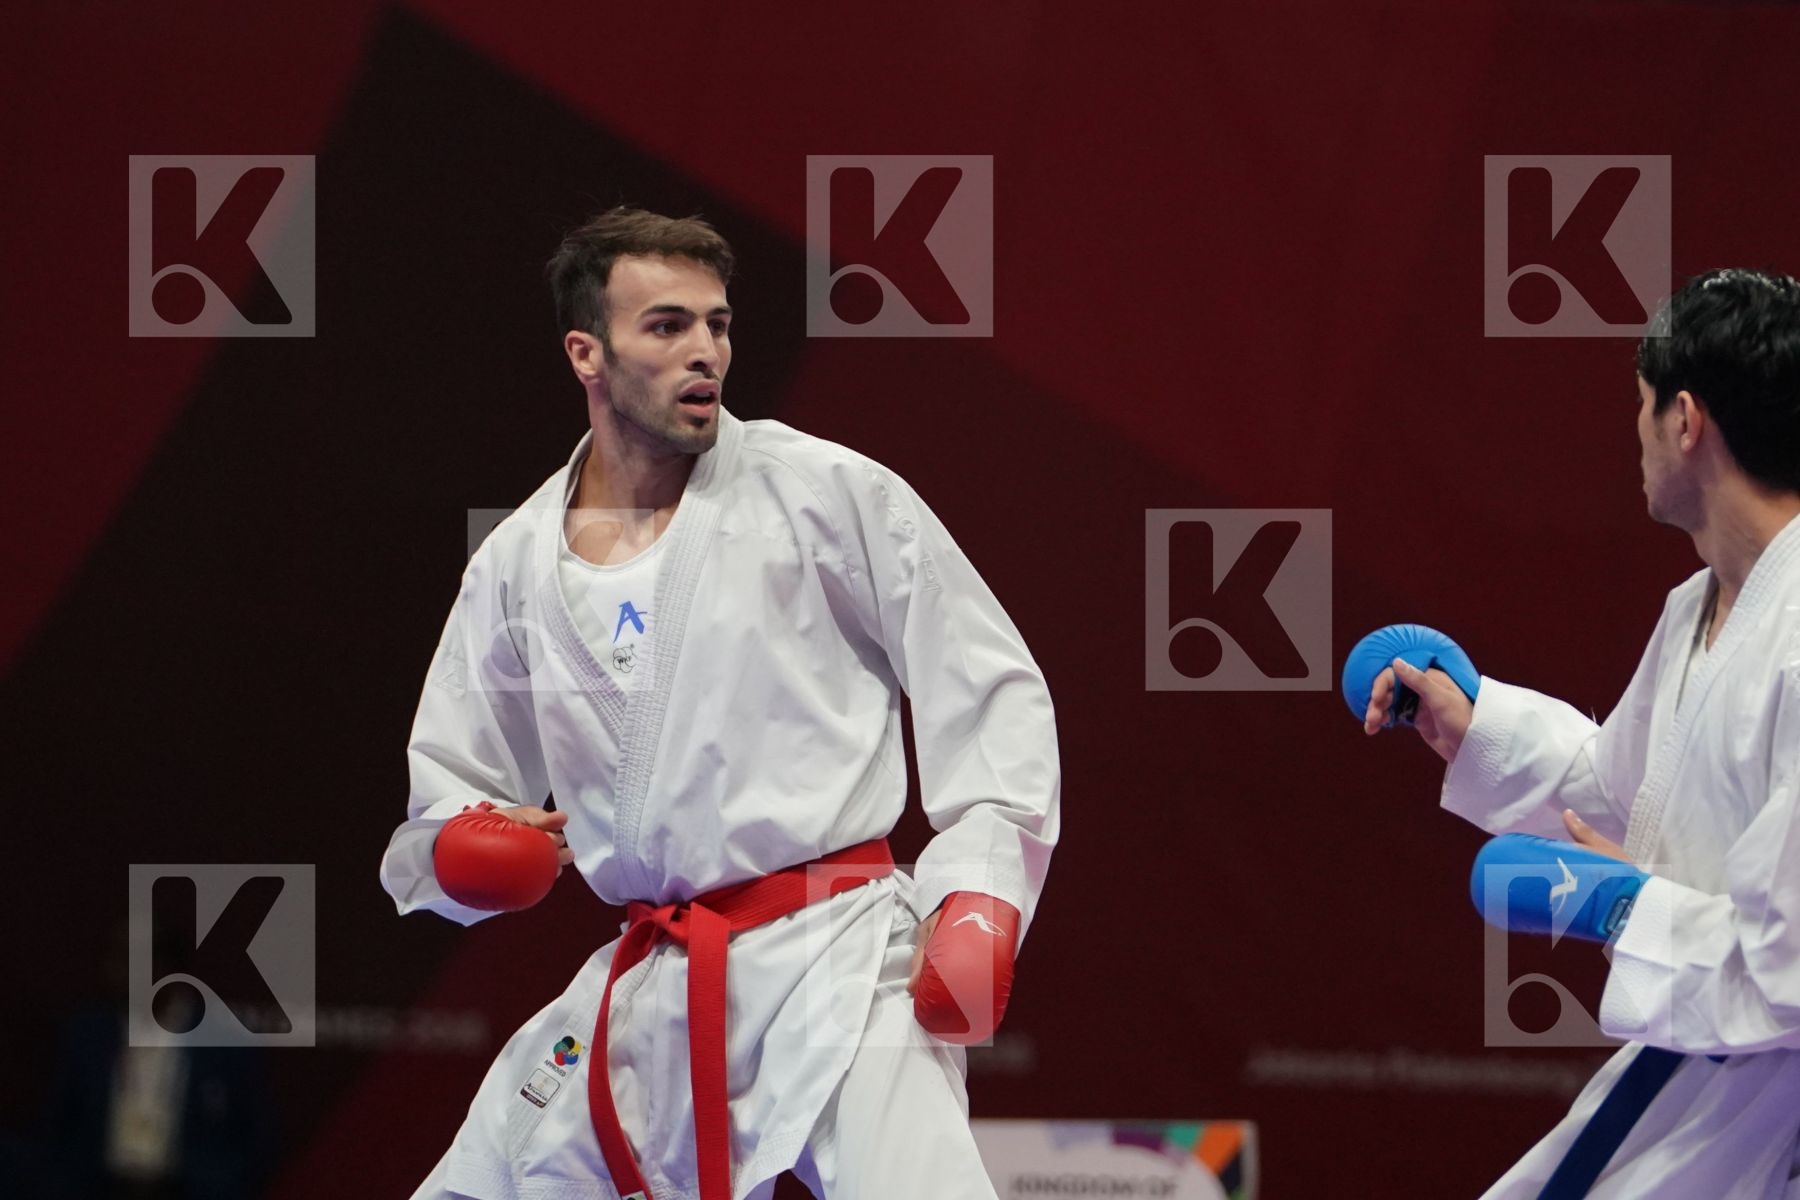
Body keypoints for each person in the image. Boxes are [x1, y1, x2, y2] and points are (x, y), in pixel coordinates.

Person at [379, 206, 1060, 1200]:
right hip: (653, 974)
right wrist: (455, 852)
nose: (707, 351)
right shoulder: (517, 562)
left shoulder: (824, 494)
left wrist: (980, 886)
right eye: (666, 326)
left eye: (719, 324)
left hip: (841, 954)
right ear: (587, 353)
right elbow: (450, 785)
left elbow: (987, 684)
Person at [1362, 268, 1800, 1197]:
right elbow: (1624, 800)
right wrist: (1474, 722)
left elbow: (1792, 967)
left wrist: (1626, 909)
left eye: (1642, 408)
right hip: (1694, 1086)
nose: (1635, 437)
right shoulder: (1701, 607)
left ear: (1686, 421)